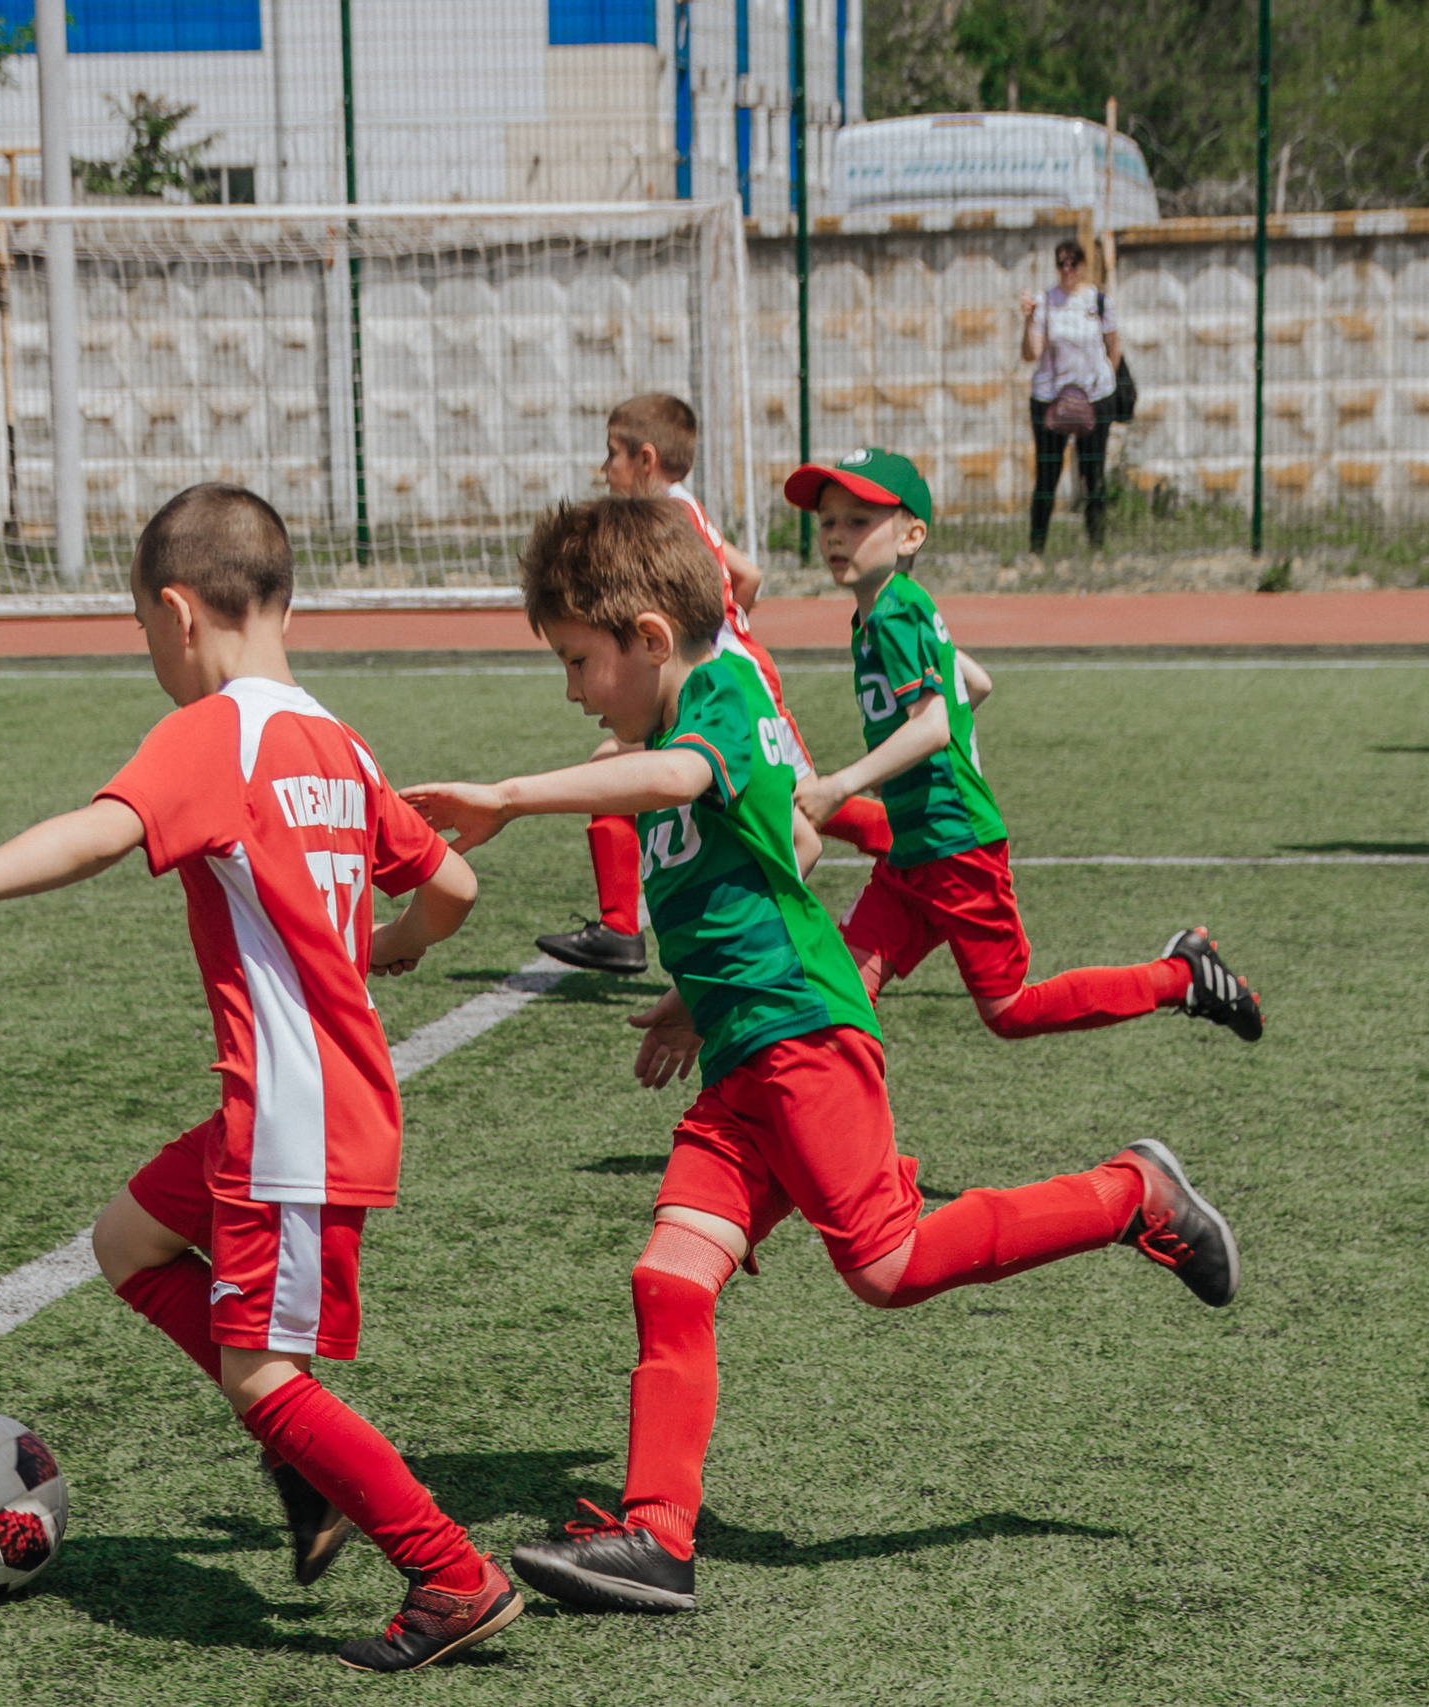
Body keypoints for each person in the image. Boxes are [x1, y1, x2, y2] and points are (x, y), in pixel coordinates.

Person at [399, 495, 1240, 1612]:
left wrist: (508, 796)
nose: (570, 689)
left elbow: (688, 783)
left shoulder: (722, 694)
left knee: (888, 1269)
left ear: (650, 639)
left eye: (575, 660)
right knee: (669, 1278)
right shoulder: (670, 724)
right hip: (747, 1049)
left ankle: (1130, 1194)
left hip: (803, 1038)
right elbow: (771, 852)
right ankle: (656, 1537)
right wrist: (695, 1000)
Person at [0, 485, 521, 1671]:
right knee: (127, 1243)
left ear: (175, 612)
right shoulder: (339, 744)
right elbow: (453, 886)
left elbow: (103, 830)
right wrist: (392, 946)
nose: (150, 656)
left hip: (294, 1114)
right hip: (289, 1105)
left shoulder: (218, 731)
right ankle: (291, 1452)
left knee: (265, 1372)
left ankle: (448, 1573)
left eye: (141, 633)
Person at [781, 448, 1264, 1043]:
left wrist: (841, 783)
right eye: (828, 521)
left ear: (912, 535)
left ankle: (1180, 975)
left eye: (859, 521)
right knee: (842, 994)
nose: (836, 535)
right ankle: (825, 1130)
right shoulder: (886, 612)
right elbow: (974, 684)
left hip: (956, 849)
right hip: (916, 852)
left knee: (1010, 1011)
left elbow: (932, 726)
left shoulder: (894, 614)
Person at [539, 393, 893, 976]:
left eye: (611, 455)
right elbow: (748, 573)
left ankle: (914, 848)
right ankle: (620, 929)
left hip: (730, 678)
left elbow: (738, 581)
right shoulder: (685, 508)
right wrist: (725, 623)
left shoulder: (665, 518)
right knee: (624, 769)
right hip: (724, 666)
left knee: (798, 805)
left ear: (646, 459)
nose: (606, 470)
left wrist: (713, 637)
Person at [1018, 239, 1122, 555]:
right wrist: (1027, 318)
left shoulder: (1100, 302)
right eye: (1062, 263)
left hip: (1094, 398)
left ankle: (1097, 548)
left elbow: (1114, 348)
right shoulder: (1045, 302)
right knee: (1047, 475)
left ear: (1083, 265)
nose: (1067, 270)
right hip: (1051, 400)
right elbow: (1030, 353)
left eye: (1073, 263)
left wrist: (1103, 382)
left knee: (1094, 476)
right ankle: (1036, 550)